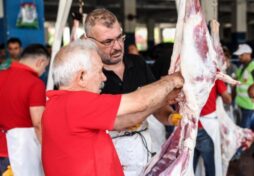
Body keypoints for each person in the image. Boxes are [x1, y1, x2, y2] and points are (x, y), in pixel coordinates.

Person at [41, 39, 184, 176]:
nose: (103, 78)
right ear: (82, 76)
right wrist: (171, 80)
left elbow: (125, 121)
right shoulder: (76, 103)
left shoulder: (58, 104)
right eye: (99, 72)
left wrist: (162, 100)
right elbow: (139, 100)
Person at [84, 8, 180, 175]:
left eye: (119, 38)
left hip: (142, 149)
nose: (117, 47)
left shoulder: (138, 63)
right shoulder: (86, 75)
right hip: (107, 155)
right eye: (107, 42)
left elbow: (156, 104)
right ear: (89, 41)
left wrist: (171, 116)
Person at [0, 44, 49, 175]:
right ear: (40, 62)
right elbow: (38, 123)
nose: (43, 71)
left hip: (3, 149)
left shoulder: (1, 76)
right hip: (23, 150)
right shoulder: (34, 83)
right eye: (45, 67)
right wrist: (48, 148)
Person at [233, 43, 254, 155]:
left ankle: (237, 153)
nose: (239, 57)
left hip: (250, 105)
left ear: (248, 54)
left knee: (244, 130)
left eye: (241, 55)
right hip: (243, 104)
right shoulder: (242, 67)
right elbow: (236, 80)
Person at [193, 79, 232, 176]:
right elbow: (228, 99)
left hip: (190, 123)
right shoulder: (213, 72)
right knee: (210, 162)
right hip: (207, 124)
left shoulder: (184, 69)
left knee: (189, 164)